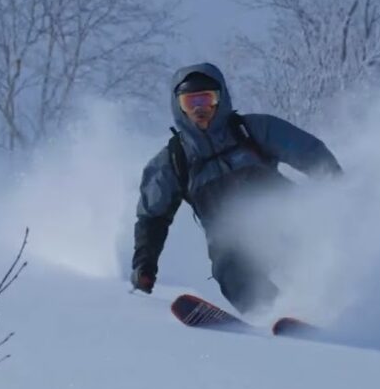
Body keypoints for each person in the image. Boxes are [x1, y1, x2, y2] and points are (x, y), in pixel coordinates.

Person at [130, 62, 343, 314]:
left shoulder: (253, 130)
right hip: (230, 240)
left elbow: (310, 153)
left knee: (306, 252)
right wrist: (145, 265)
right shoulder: (173, 160)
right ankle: (274, 312)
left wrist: (339, 191)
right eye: (190, 102)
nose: (200, 109)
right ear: (179, 107)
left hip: (284, 217)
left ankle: (330, 303)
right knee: (229, 270)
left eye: (207, 100)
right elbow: (152, 216)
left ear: (220, 100)